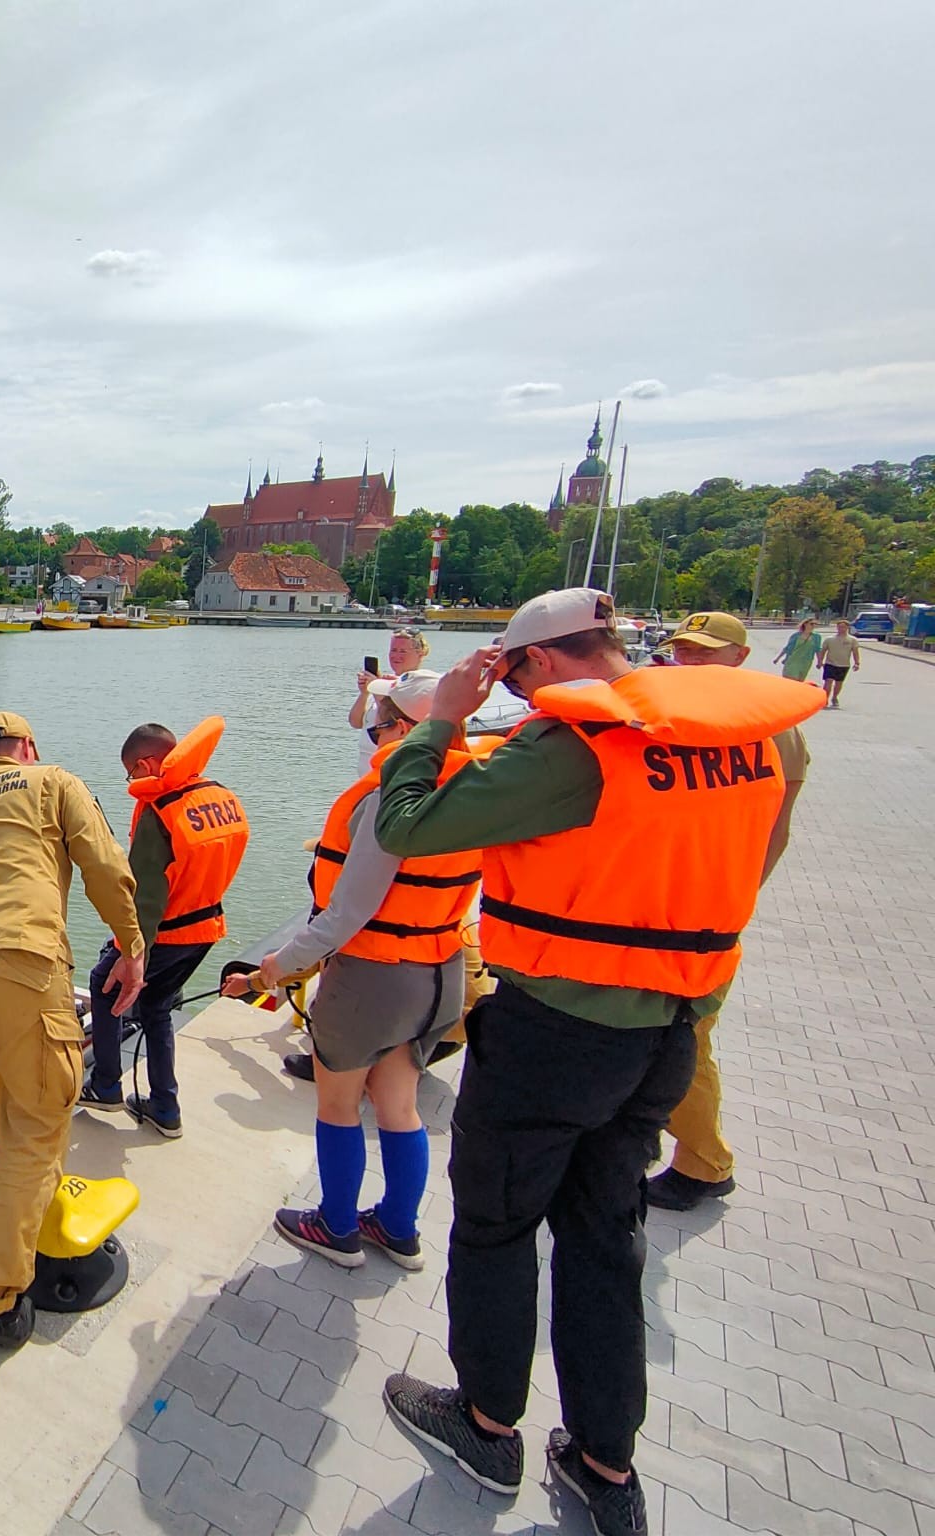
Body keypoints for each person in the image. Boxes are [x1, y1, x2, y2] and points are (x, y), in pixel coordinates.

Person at [369, 589, 821, 1535]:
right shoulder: (742, 736)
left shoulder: (574, 744)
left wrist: (442, 718)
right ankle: (606, 1463)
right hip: (672, 1029)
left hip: (558, 1030)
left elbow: (407, 824)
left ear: (537, 662)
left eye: (513, 675)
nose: (514, 694)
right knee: (607, 1237)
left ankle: (487, 1424)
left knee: (497, 1224)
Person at [225, 672, 478, 1273]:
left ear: (408, 730)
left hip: (373, 978)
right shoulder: (472, 788)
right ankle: (398, 1227)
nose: (374, 736)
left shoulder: (388, 798)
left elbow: (348, 913)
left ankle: (336, 1227)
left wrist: (275, 969)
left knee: (338, 1105)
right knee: (399, 1106)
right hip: (439, 971)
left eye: (379, 724)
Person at [0, 711, 145, 1350]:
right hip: (21, 953)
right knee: (40, 1115)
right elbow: (104, 864)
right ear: (28, 747)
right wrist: (132, 945)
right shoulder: (54, 781)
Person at [644, 612, 809, 1211]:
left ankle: (705, 1162)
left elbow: (771, 829)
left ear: (740, 658)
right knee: (660, 1036)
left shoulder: (769, 726)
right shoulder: (677, 710)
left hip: (702, 916)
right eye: (683, 651)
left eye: (705, 652)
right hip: (661, 906)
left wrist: (730, 902)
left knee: (682, 1039)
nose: (690, 662)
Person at [78, 718, 248, 1138]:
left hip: (167, 932)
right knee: (157, 1008)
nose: (132, 782)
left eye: (131, 773)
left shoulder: (161, 811)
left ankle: (105, 1086)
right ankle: (164, 1106)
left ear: (147, 763)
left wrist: (130, 952)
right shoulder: (220, 796)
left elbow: (147, 898)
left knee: (105, 985)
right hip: (206, 927)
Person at [349, 628, 429, 770]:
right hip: (367, 769)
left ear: (420, 653)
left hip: (392, 767)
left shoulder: (421, 685)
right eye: (393, 650)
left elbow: (391, 723)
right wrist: (365, 693)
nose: (396, 656)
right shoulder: (383, 683)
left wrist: (376, 689)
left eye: (402, 651)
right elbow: (355, 722)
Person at [818, 618, 861, 707]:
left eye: (843, 627)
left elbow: (855, 652)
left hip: (844, 664)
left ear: (847, 628)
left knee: (839, 682)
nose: (841, 629)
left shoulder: (852, 640)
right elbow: (823, 651)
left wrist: (857, 663)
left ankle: (834, 697)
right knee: (828, 681)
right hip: (830, 663)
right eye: (839, 627)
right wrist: (820, 661)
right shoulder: (829, 639)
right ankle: (825, 699)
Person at [775, 617, 822, 682]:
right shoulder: (796, 635)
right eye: (811, 624)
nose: (813, 626)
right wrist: (778, 658)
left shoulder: (816, 637)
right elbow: (787, 648)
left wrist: (819, 662)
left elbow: (818, 650)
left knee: (800, 682)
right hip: (793, 660)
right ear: (805, 624)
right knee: (790, 680)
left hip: (806, 662)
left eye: (815, 624)